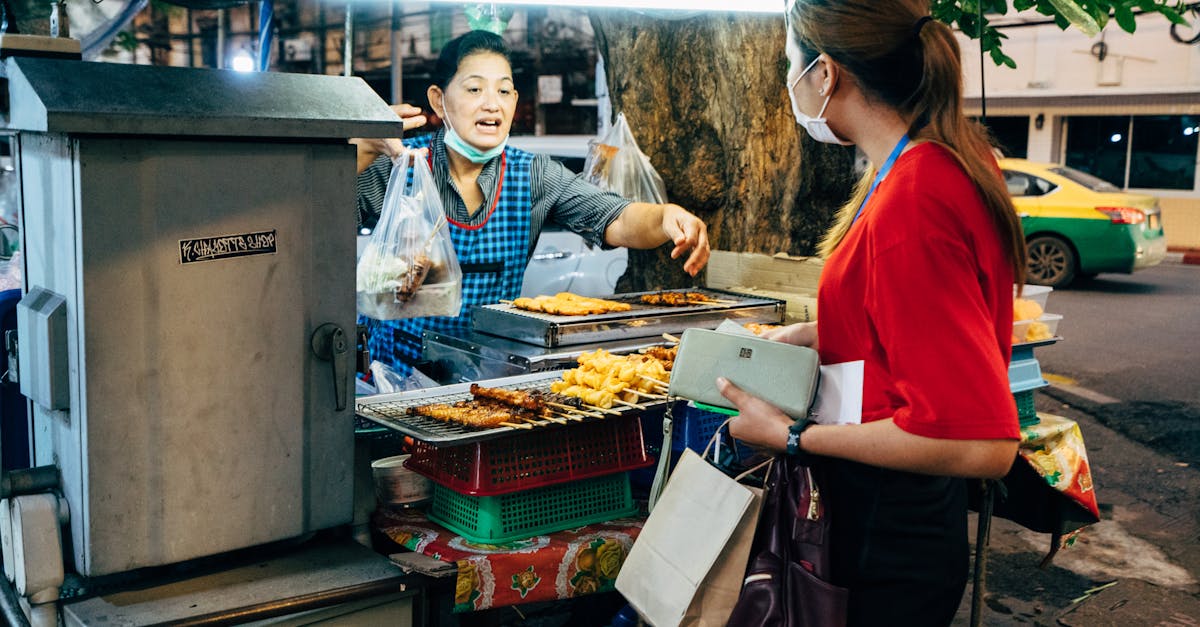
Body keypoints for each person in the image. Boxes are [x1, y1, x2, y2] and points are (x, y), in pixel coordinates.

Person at [718, 0, 1028, 624]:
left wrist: (790, 436)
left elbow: (982, 443)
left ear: (825, 74)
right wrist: (817, 332)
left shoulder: (915, 197)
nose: (789, 82)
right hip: (884, 515)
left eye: (790, 64)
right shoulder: (927, 164)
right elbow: (906, 318)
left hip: (888, 534)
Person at [355, 30, 710, 373]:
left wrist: (666, 217)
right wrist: (361, 149)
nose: (492, 103)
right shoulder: (398, 166)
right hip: (394, 379)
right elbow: (309, 219)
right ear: (438, 99)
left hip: (483, 378)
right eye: (474, 88)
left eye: (504, 91)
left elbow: (616, 217)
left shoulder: (533, 175)